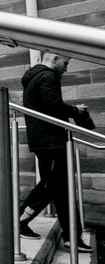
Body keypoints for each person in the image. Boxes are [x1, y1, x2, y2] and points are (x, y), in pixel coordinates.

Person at [19, 52, 92, 253]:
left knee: (62, 189)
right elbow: (52, 106)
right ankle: (18, 221)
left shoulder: (36, 77)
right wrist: (76, 110)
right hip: (50, 141)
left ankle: (72, 237)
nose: (66, 68)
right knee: (50, 186)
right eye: (65, 63)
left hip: (47, 140)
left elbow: (47, 107)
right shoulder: (47, 76)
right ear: (54, 58)